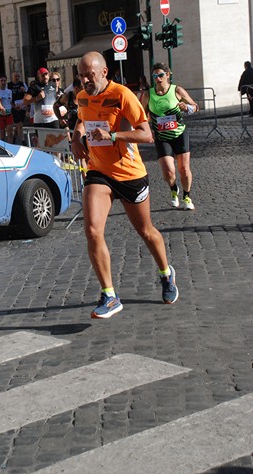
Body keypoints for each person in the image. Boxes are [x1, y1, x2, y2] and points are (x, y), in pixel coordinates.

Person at [70, 51, 179, 319]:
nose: (85, 80)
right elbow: (82, 120)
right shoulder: (81, 97)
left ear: (104, 72)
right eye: (81, 75)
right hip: (99, 172)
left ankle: (166, 273)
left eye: (90, 75)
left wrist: (114, 134)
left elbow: (147, 134)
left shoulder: (122, 95)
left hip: (130, 174)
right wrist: (76, 136)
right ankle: (109, 295)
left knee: (145, 230)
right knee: (93, 231)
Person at [141, 62, 198, 211]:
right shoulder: (148, 94)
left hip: (179, 133)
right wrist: (146, 123)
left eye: (160, 75)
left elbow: (195, 106)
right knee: (168, 170)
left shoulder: (177, 90)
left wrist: (187, 108)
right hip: (161, 136)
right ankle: (174, 189)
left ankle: (187, 196)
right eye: (155, 76)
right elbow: (141, 115)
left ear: (167, 75)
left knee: (184, 169)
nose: (158, 79)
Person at [9, 70, 28, 145]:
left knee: (18, 125)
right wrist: (13, 106)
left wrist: (24, 91)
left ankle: (14, 138)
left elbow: (28, 93)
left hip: (22, 107)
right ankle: (23, 141)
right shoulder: (9, 85)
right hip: (14, 107)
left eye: (18, 76)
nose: (17, 78)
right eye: (15, 76)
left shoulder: (22, 84)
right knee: (19, 125)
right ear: (12, 77)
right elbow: (8, 98)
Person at [0, 74, 14, 142]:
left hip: (9, 114)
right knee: (2, 135)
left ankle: (11, 147)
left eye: (4, 80)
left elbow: (10, 102)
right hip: (1, 115)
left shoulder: (9, 91)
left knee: (10, 132)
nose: (3, 82)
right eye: (1, 81)